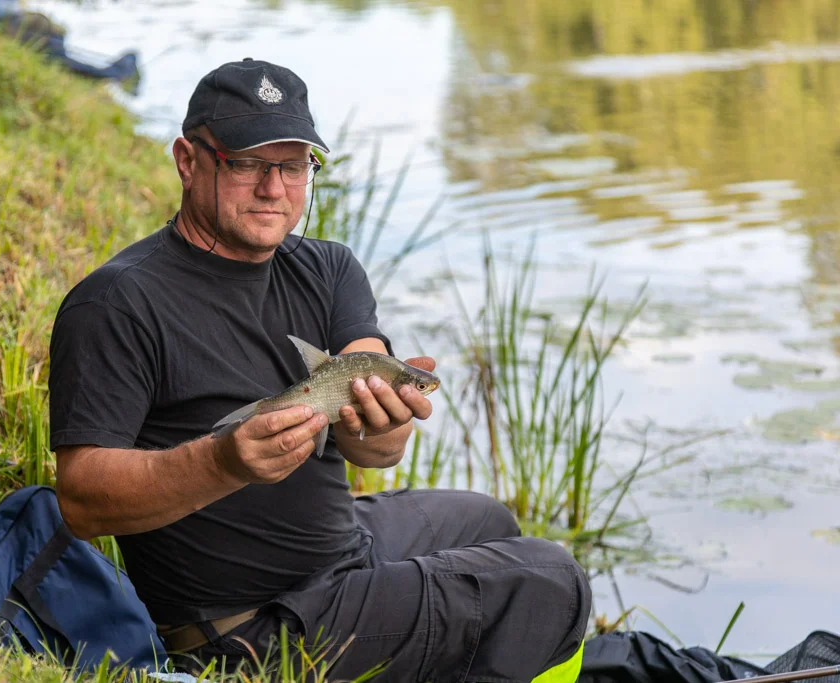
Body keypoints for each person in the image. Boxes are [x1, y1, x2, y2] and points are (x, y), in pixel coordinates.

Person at [48, 58, 591, 683]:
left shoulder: (328, 268)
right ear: (188, 160)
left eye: (294, 165)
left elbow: (376, 449)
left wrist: (382, 424)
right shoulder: (116, 303)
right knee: (553, 581)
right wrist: (222, 462)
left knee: (490, 521)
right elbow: (81, 501)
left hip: (338, 558)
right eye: (247, 162)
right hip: (245, 632)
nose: (274, 189)